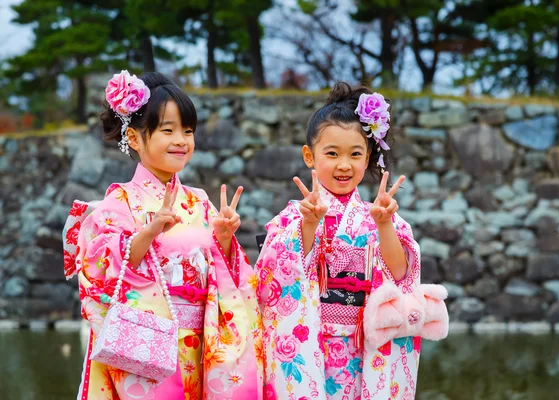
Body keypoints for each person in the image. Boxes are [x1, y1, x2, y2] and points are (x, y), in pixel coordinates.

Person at [63, 71, 263, 400]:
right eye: (167, 130)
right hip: (148, 348)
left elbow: (227, 276)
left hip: (203, 343)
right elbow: (100, 273)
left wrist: (224, 239)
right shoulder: (119, 203)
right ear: (136, 138)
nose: (182, 140)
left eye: (187, 130)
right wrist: (149, 232)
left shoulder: (198, 200)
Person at [256, 82, 426, 400]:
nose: (344, 164)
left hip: (365, 343)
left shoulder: (380, 214)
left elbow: (401, 274)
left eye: (355, 154)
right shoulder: (295, 216)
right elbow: (276, 277)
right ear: (310, 156)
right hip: (312, 339)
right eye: (332, 153)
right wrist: (308, 223)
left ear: (369, 158)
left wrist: (385, 224)